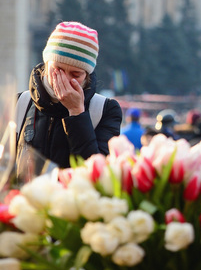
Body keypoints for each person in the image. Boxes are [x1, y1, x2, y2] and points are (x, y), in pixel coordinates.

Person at [15, 21, 122, 170]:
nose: (64, 79)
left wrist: (77, 113)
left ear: (86, 75)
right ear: (46, 64)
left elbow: (100, 175)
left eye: (75, 74)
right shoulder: (20, 103)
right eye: (57, 69)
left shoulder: (106, 110)